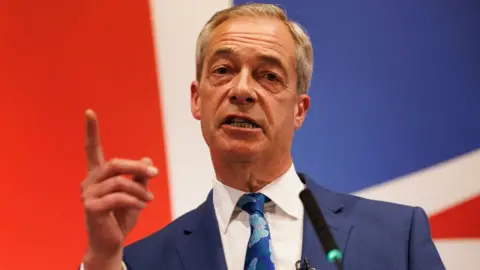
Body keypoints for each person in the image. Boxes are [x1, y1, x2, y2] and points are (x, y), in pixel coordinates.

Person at [80, 3, 445, 270]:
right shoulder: (137, 263)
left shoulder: (397, 238)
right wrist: (101, 258)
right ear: (197, 99)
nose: (242, 90)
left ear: (299, 110)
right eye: (223, 70)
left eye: (268, 76)